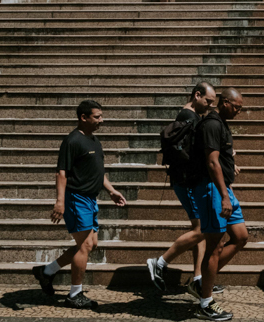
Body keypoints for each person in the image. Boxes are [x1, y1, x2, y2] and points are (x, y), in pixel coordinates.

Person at [31, 100, 127, 310]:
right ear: (83, 118)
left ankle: (47, 271)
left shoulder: (94, 141)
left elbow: (98, 172)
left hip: (91, 199)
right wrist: (60, 201)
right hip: (76, 198)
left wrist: (111, 190)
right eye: (97, 117)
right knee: (84, 246)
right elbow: (61, 172)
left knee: (92, 244)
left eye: (101, 116)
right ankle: (74, 294)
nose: (102, 120)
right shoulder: (72, 141)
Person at [146, 82, 221, 297]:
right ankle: (159, 262)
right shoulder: (188, 118)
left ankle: (198, 278)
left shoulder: (191, 117)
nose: (208, 106)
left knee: (201, 231)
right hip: (188, 182)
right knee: (202, 230)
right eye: (207, 101)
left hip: (187, 181)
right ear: (196, 95)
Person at [191, 88, 248, 321]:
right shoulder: (212, 125)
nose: (238, 111)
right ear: (224, 103)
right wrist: (224, 195)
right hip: (213, 190)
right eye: (236, 107)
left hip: (224, 189)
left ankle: (203, 282)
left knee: (241, 236)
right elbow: (212, 162)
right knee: (214, 245)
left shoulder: (221, 124)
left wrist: (228, 191)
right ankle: (205, 303)